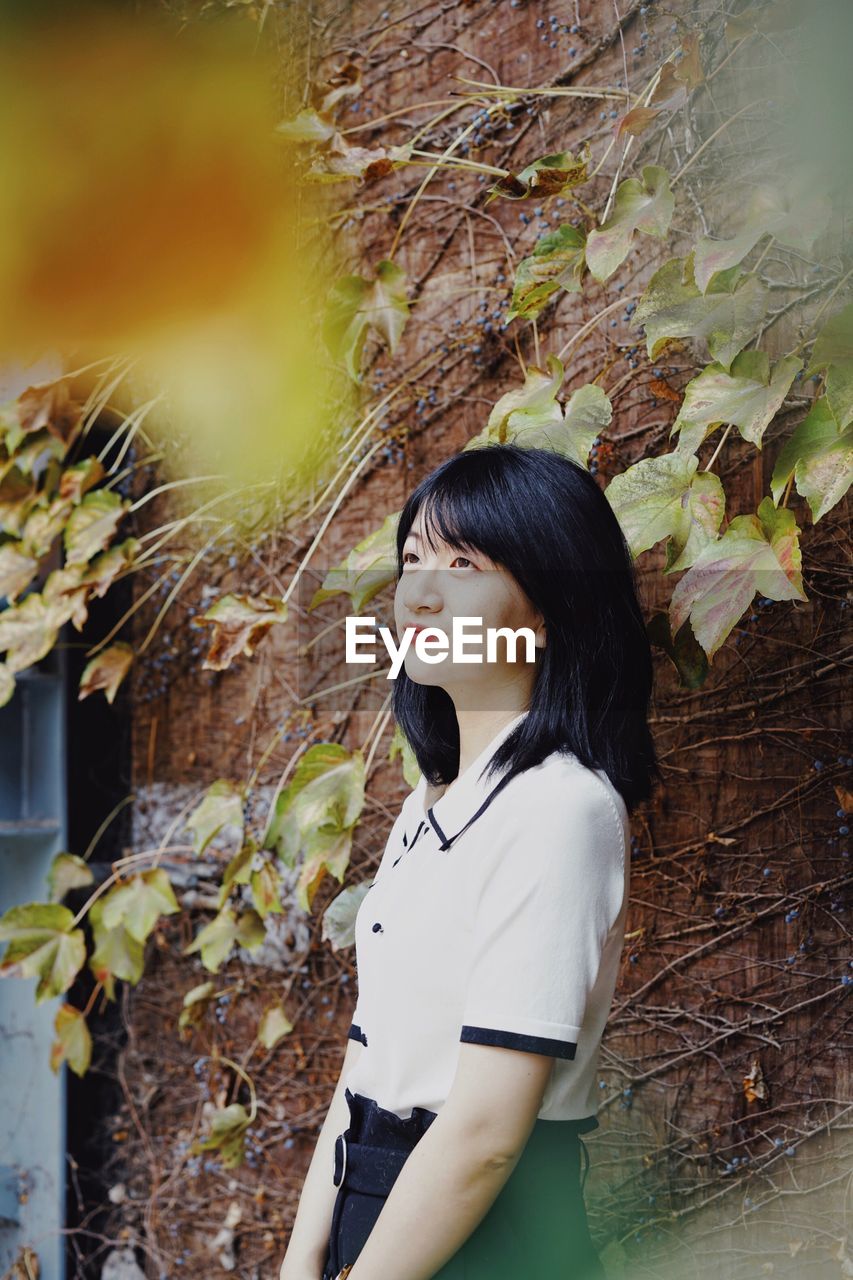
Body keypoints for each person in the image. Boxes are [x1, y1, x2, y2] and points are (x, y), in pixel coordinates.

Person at [280, 443, 660, 1280]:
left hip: (484, 1236)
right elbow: (367, 1062)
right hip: (379, 1210)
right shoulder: (428, 807)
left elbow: (486, 1133)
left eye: (461, 563)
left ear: (544, 609)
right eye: (412, 558)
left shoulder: (559, 808)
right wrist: (303, 1253)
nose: (417, 591)